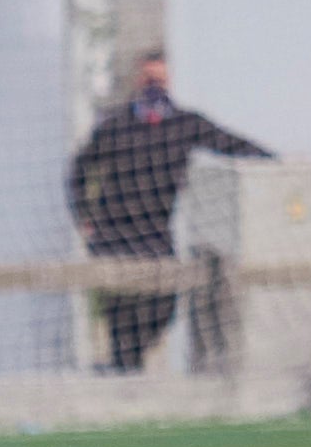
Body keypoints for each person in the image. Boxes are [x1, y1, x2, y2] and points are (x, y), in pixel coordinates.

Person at [69, 51, 267, 371]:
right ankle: (124, 372)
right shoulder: (115, 126)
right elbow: (79, 169)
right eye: (148, 79)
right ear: (138, 79)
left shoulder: (184, 124)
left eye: (159, 80)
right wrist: (84, 217)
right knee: (121, 308)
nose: (153, 85)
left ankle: (128, 362)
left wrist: (276, 158)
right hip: (113, 234)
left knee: (165, 300)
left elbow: (228, 142)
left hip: (155, 232)